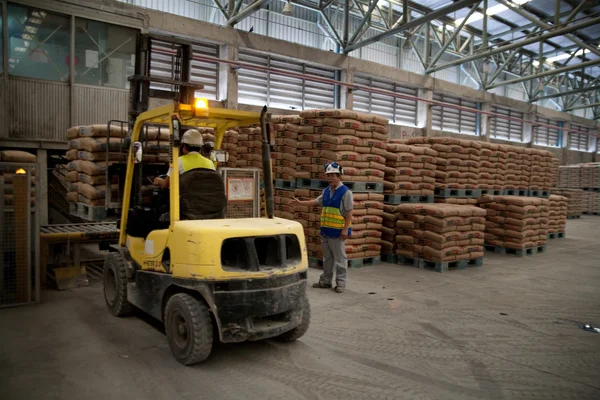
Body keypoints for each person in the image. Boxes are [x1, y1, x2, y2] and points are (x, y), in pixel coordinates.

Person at [291, 162, 353, 293]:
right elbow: (315, 202)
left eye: (333, 176)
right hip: (325, 231)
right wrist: (300, 203)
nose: (330, 178)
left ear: (339, 176)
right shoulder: (326, 191)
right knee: (327, 258)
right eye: (328, 176)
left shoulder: (346, 192)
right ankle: (325, 281)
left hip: (337, 232)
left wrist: (345, 229)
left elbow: (349, 212)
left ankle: (341, 283)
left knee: (340, 258)